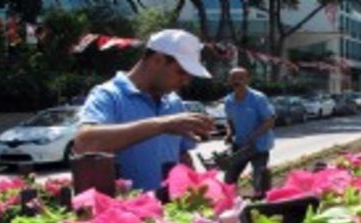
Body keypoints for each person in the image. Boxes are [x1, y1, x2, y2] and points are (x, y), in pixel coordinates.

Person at [75, 29, 214, 191]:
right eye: (181, 72)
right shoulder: (109, 95)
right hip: (125, 212)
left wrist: (195, 191)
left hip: (169, 211)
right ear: (157, 60)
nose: (185, 82)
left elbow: (182, 156)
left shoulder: (174, 102)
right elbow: (85, 143)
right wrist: (161, 125)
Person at [223, 67, 276, 197]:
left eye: (240, 78)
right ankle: (233, 205)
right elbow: (230, 121)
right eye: (234, 78)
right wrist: (229, 133)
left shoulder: (258, 98)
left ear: (247, 80)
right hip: (240, 146)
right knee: (229, 179)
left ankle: (261, 204)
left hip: (259, 146)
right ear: (229, 80)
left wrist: (254, 135)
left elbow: (270, 121)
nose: (237, 81)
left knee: (259, 180)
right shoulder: (228, 101)